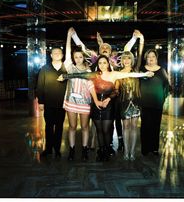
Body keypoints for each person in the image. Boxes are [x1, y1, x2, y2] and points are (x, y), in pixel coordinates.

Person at [58, 55, 154, 161]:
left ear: (108, 64)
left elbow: (130, 74)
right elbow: (80, 75)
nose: (102, 65)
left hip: (108, 106)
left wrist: (145, 74)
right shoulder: (95, 74)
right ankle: (102, 151)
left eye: (104, 62)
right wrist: (65, 76)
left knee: (106, 130)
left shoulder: (114, 74)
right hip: (96, 105)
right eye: (100, 63)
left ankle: (107, 150)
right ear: (98, 65)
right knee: (99, 130)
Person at [63, 27, 102, 161]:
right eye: (76, 57)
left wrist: (96, 101)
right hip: (71, 101)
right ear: (73, 58)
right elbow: (67, 52)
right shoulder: (69, 67)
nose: (78, 59)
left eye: (80, 56)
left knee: (85, 126)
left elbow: (91, 86)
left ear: (83, 57)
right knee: (72, 126)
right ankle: (72, 150)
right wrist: (69, 36)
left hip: (85, 102)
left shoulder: (89, 70)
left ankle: (84, 150)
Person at [115, 31, 144, 161]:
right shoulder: (118, 73)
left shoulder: (136, 70)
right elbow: (116, 90)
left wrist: (141, 39)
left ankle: (132, 152)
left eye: (129, 58)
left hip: (136, 102)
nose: (126, 60)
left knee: (134, 127)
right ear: (122, 60)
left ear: (132, 60)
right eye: (124, 58)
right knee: (125, 127)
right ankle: (126, 151)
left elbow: (141, 53)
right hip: (124, 103)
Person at [36, 47, 67, 158]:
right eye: (55, 52)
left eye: (59, 52)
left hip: (62, 103)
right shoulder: (45, 68)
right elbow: (40, 86)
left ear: (62, 55)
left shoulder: (66, 68)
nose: (57, 54)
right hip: (48, 103)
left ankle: (57, 149)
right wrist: (40, 102)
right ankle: (48, 149)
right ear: (51, 55)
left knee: (59, 127)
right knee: (49, 126)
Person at [140, 49, 170, 156]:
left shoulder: (162, 70)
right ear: (146, 59)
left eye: (153, 56)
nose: (151, 58)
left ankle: (154, 148)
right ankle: (145, 149)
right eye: (148, 57)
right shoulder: (142, 70)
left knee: (155, 126)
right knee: (145, 126)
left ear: (156, 58)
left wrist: (163, 98)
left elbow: (166, 85)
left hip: (157, 103)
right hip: (144, 102)